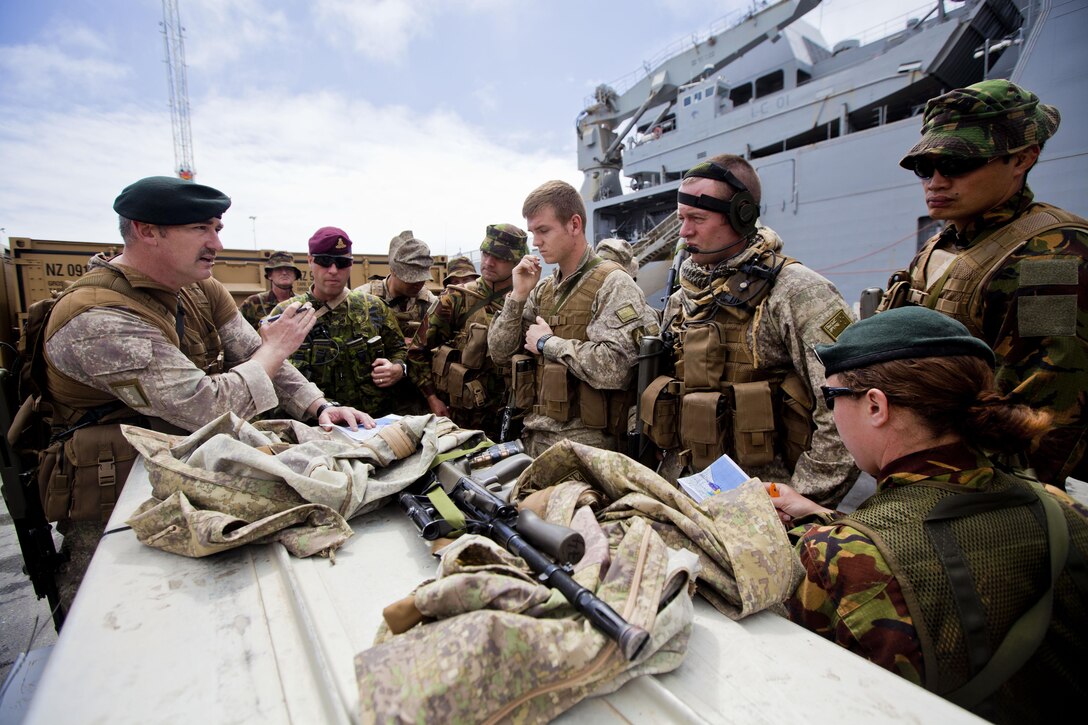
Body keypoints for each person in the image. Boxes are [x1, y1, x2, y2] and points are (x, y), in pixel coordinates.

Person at [38, 176, 371, 612]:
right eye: (201, 229)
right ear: (146, 230)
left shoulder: (197, 287)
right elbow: (209, 405)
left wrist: (319, 405)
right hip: (115, 504)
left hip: (190, 471)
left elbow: (256, 354)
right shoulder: (99, 318)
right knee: (120, 628)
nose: (216, 242)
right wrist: (275, 349)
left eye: (217, 228)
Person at [769, 307, 1088, 723]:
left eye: (832, 398)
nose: (831, 415)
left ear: (876, 407)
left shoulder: (833, 558)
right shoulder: (1062, 508)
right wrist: (821, 516)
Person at [883, 79, 1088, 488]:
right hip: (926, 465)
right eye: (925, 167)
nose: (935, 181)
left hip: (984, 486)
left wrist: (984, 500)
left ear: (1022, 159)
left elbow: (1044, 415)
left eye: (957, 164)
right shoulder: (948, 240)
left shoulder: (1052, 257)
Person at [646, 155, 857, 506]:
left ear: (742, 217)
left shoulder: (797, 292)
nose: (683, 233)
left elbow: (846, 404)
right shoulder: (683, 299)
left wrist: (804, 499)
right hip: (686, 493)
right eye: (682, 219)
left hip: (766, 502)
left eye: (697, 219)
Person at [488, 180, 660, 456]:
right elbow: (499, 351)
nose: (536, 243)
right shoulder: (543, 289)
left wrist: (548, 344)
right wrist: (518, 296)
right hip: (535, 436)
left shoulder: (614, 284)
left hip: (587, 449)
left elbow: (617, 367)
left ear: (575, 225)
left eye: (543, 230)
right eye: (533, 232)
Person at [270, 227, 408, 417]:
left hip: (372, 423)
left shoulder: (373, 307)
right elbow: (268, 373)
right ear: (310, 261)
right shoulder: (285, 314)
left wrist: (398, 368)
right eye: (325, 261)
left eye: (342, 262)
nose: (333, 270)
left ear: (351, 265)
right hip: (311, 427)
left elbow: (400, 348)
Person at [408, 224, 528, 440]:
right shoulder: (456, 299)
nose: (488, 262)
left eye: (499, 257)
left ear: (517, 260)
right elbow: (417, 351)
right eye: (485, 253)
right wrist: (432, 398)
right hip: (461, 420)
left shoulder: (529, 301)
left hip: (513, 416)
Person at [355, 230, 436, 345]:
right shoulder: (363, 299)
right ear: (393, 271)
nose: (418, 283)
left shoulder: (428, 301)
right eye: (411, 278)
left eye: (422, 278)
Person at [239, 251, 301, 329]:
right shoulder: (253, 303)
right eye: (278, 269)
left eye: (289, 269)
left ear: (295, 275)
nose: (284, 273)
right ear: (269, 275)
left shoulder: (301, 303)